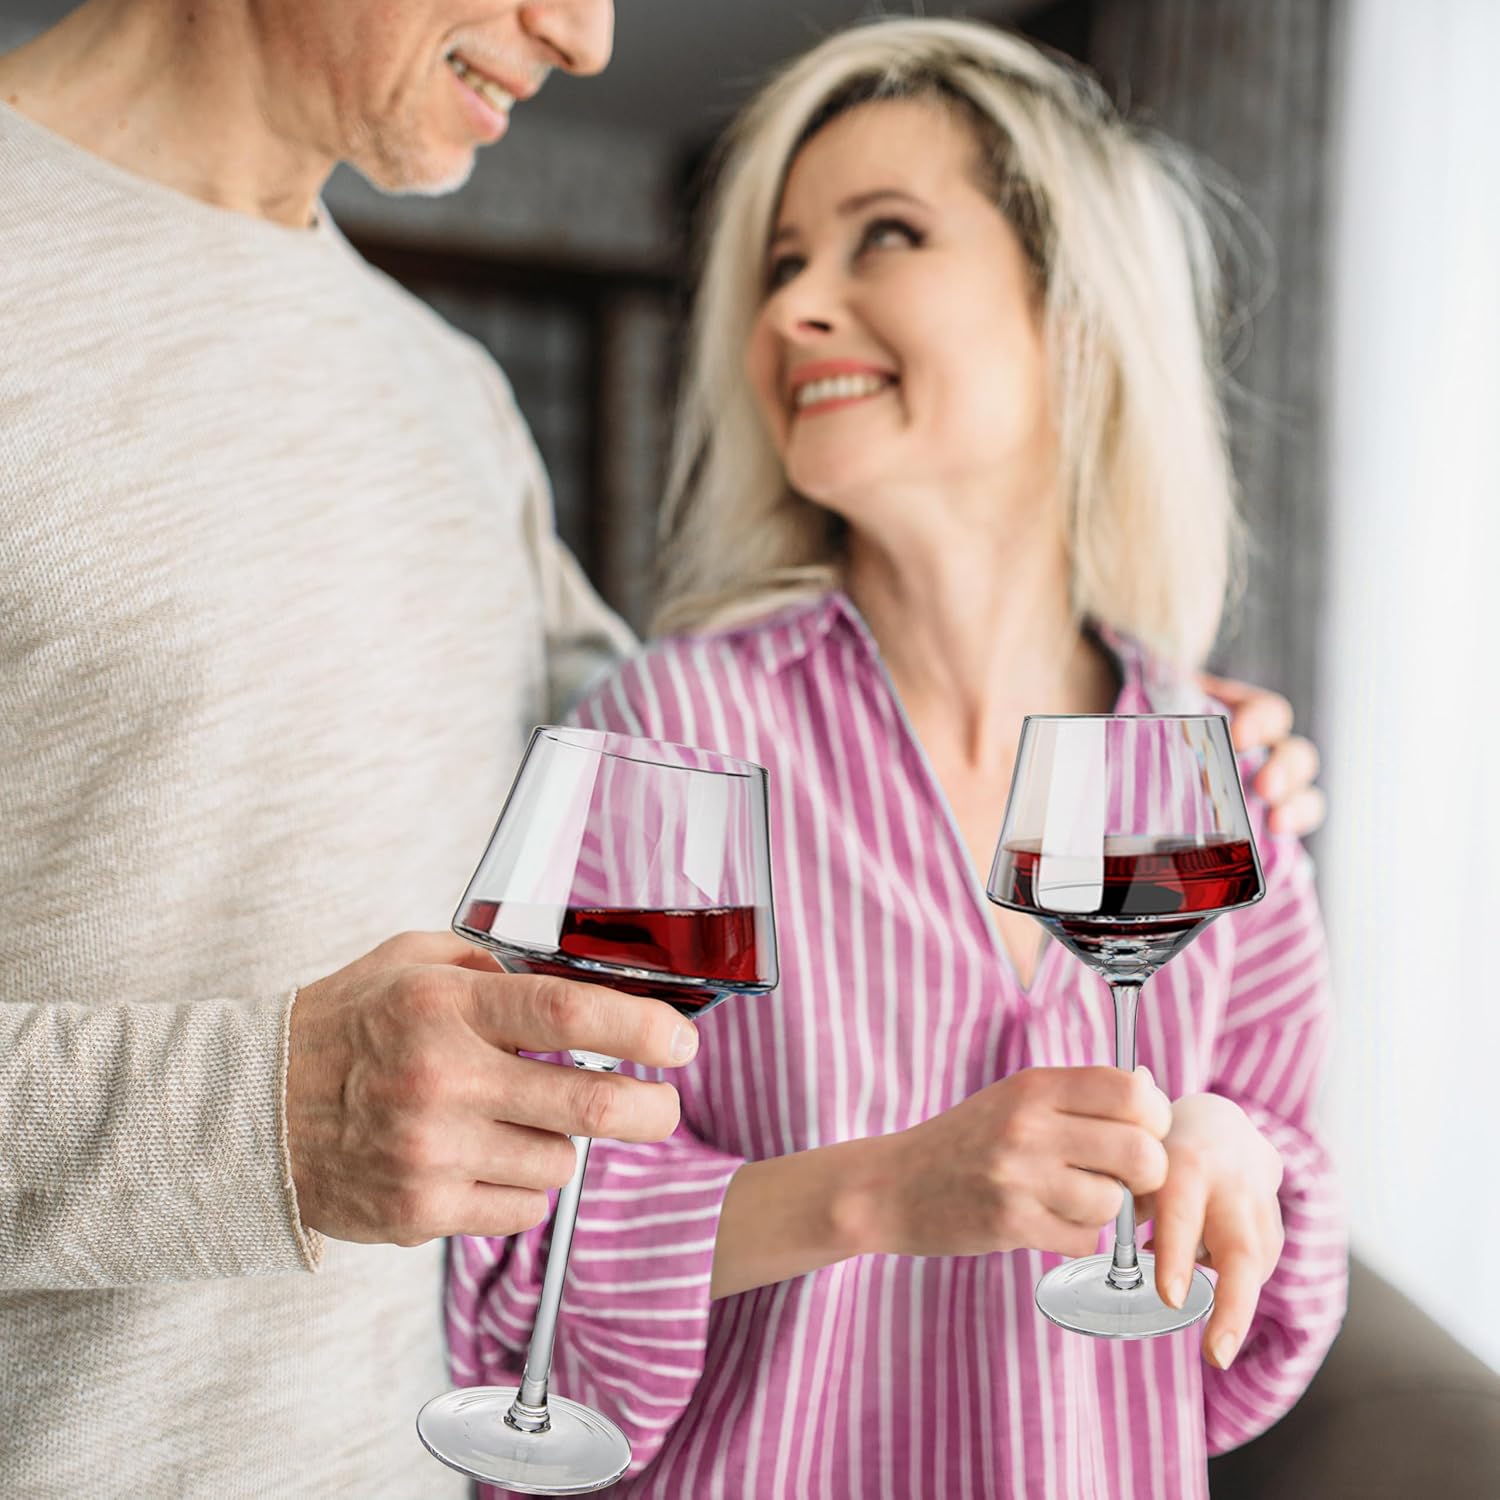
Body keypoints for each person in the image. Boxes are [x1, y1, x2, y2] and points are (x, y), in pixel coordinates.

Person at [448, 17, 1345, 1499]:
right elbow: (512, 1268)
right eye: (782, 262)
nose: (797, 304)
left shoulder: (1220, 779)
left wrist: (1235, 1165)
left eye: (886, 237)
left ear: (1072, 310)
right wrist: (876, 1194)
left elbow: (1256, 1343)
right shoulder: (673, 740)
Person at [0, 3, 698, 1496]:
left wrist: (1104, 713)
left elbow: (693, 753)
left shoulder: (453, 394)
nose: (583, 38)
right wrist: (264, 1119)